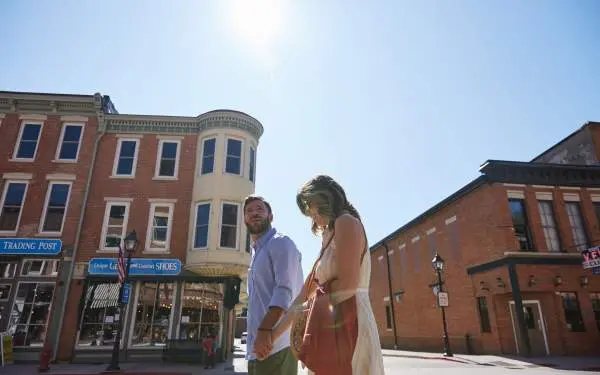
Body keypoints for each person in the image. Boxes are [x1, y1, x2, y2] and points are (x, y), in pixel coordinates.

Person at [268, 175, 385, 375]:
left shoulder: (346, 221)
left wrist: (308, 312)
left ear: (322, 198)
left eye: (309, 208)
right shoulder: (328, 237)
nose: (311, 217)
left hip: (351, 323)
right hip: (331, 325)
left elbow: (348, 286)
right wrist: (272, 336)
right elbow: (303, 296)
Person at [244, 195, 304, 375]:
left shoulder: (280, 243)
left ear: (271, 216)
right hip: (257, 349)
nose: (254, 213)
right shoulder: (257, 254)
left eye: (260, 209)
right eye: (249, 211)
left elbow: (284, 292)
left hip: (277, 347)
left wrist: (264, 330)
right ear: (245, 219)